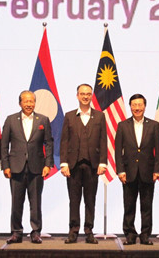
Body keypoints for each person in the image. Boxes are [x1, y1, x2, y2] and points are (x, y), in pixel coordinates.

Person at [1, 90, 54, 244]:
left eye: (32, 101)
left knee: (36, 203)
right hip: (15, 167)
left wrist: (48, 164)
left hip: (36, 167)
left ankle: (36, 232)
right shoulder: (11, 120)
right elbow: (4, 145)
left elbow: (49, 143)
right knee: (16, 202)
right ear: (20, 103)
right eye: (26, 101)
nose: (29, 104)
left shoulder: (43, 120)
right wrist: (5, 165)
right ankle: (16, 232)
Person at [60, 83, 107, 244]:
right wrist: (64, 163)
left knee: (90, 200)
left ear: (91, 96)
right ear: (77, 96)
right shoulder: (69, 116)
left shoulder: (99, 116)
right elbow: (64, 141)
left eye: (88, 94)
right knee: (74, 200)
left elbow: (103, 140)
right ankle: (73, 231)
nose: (85, 96)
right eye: (82, 94)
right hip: (73, 166)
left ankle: (89, 231)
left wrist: (103, 163)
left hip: (93, 166)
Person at [115, 93, 159, 245]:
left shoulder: (154, 125)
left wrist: (157, 170)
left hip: (148, 172)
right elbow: (118, 151)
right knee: (129, 206)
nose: (137, 108)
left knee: (146, 206)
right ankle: (130, 234)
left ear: (145, 106)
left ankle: (145, 235)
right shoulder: (122, 125)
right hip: (128, 173)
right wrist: (120, 170)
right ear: (130, 107)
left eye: (140, 105)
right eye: (134, 105)